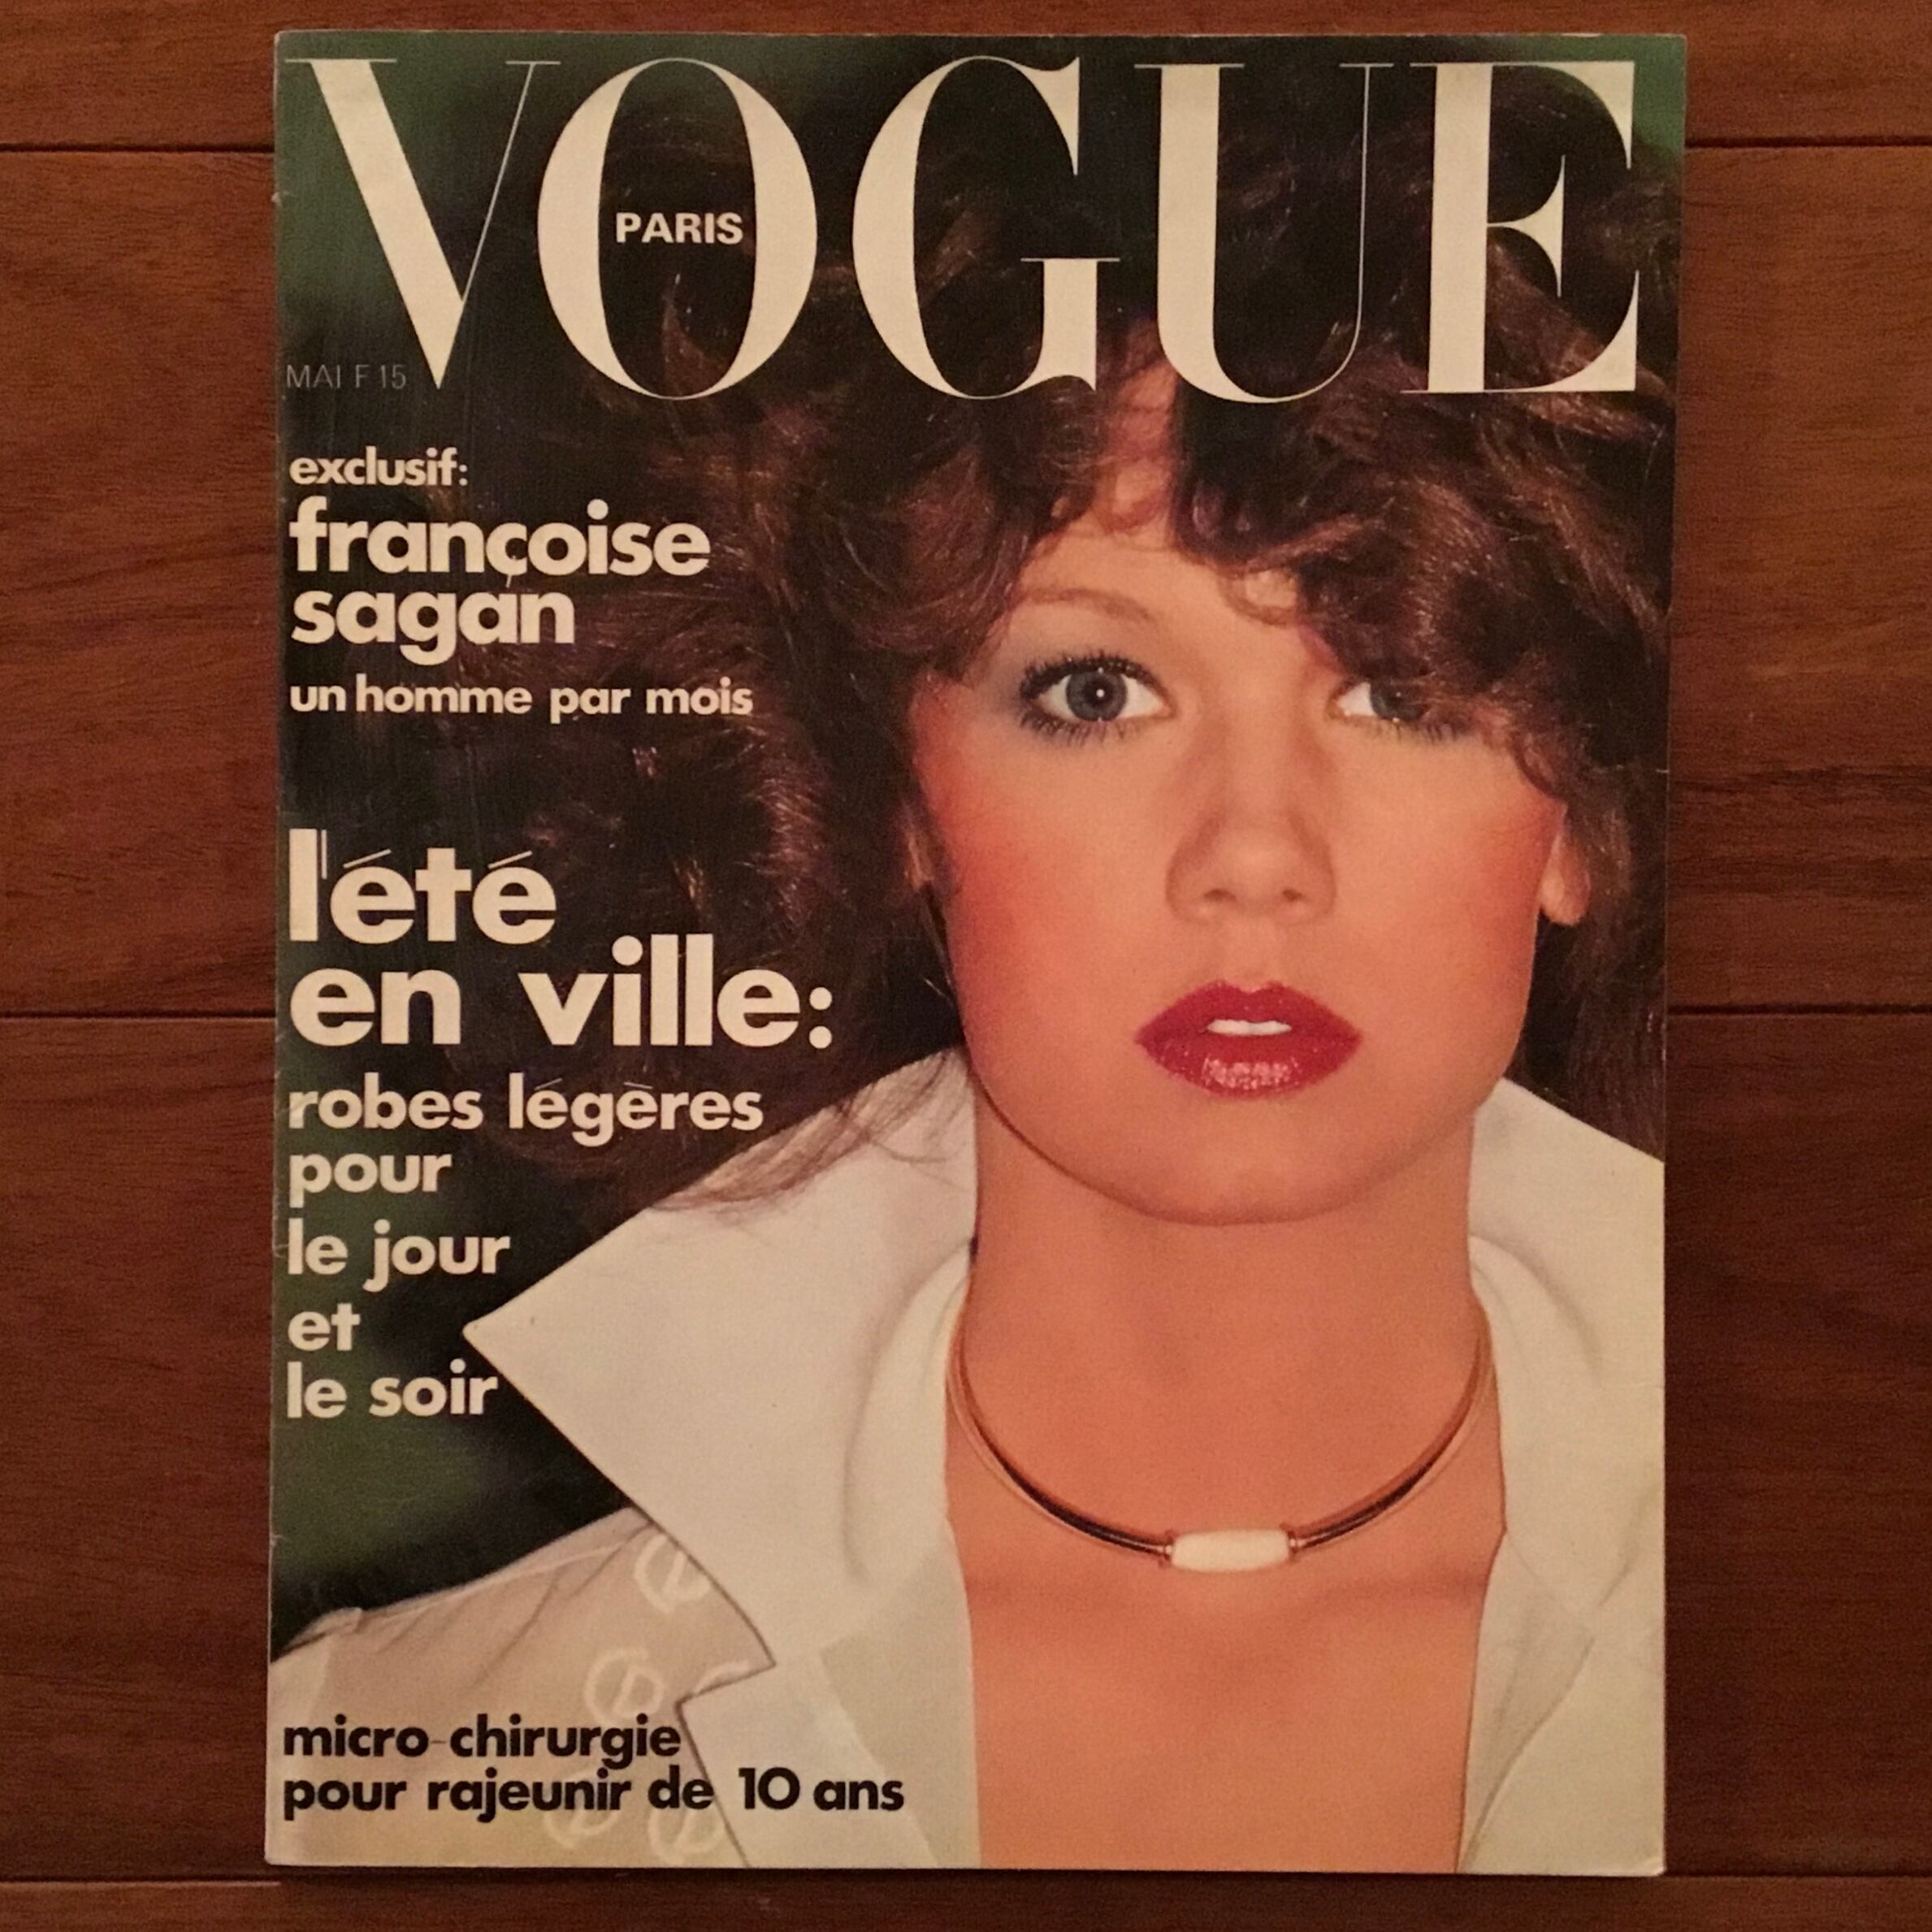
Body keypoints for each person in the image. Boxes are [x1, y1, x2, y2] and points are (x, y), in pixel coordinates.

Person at [269, 63, 1673, 1872]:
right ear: (887, 800)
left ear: (1578, 824)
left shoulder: (1833, 1657)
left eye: (1398, 690)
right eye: (1094, 688)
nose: (1255, 851)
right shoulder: (398, 1764)